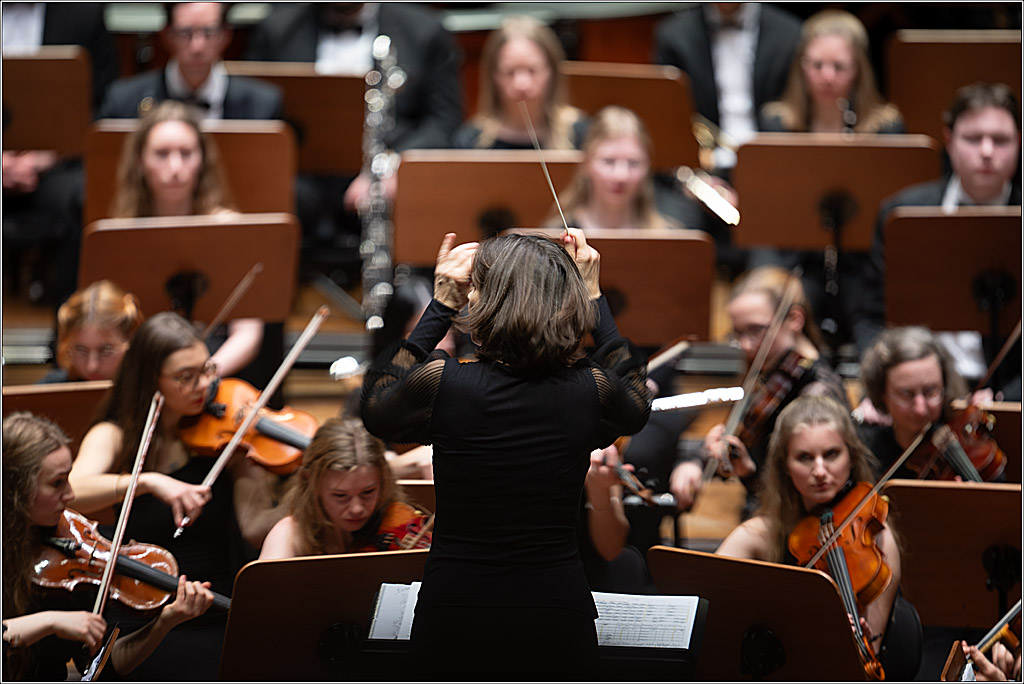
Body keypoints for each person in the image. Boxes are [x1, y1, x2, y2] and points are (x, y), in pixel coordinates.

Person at [360, 228, 652, 677]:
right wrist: (596, 300)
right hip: (556, 609)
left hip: (454, 607)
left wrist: (440, 306)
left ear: (488, 302)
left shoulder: (444, 383)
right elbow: (636, 402)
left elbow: (378, 404)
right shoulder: (589, 390)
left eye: (476, 288)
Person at [67, 312, 279, 679]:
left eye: (207, 369)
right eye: (186, 377)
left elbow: (255, 526)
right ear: (151, 379)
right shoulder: (115, 435)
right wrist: (148, 482)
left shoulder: (219, 436)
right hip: (141, 606)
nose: (204, 385)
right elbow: (73, 492)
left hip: (216, 601)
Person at [716, 396, 920, 680]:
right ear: (785, 465)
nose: (820, 471)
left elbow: (866, 658)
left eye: (832, 454)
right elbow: (708, 596)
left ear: (851, 456)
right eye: (804, 458)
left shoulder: (878, 539)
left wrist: (846, 639)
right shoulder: (761, 535)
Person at [2, 412, 214, 681]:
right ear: (13, 490)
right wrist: (50, 622)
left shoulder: (70, 556)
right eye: (56, 483)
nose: (70, 494)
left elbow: (106, 667)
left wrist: (165, 622)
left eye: (68, 478)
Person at [244, 2, 462, 250]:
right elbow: (255, 116)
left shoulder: (423, 30)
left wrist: (391, 167)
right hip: (303, 180)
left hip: (387, 174)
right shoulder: (277, 29)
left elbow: (443, 120)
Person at [856, 82, 1022, 386]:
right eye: (973, 139)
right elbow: (871, 318)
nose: (986, 152)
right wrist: (881, 387)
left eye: (1000, 140)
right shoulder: (902, 213)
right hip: (919, 391)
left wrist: (1010, 398)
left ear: (1019, 142)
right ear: (949, 140)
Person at [110, 100, 273, 389]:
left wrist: (201, 377)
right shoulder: (119, 233)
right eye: (161, 154)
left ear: (203, 160)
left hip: (214, 373)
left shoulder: (231, 228)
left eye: (186, 154)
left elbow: (248, 336)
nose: (175, 167)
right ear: (139, 161)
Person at [667, 266, 848, 518]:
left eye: (756, 330)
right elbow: (738, 433)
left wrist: (749, 473)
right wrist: (695, 462)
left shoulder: (818, 392)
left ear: (795, 320)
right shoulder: (770, 373)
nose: (745, 344)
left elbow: (807, 497)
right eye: (738, 334)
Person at [2, 3, 119, 309]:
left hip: (54, 165)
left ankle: (71, 339)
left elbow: (103, 105)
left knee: (89, 196)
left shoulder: (82, 14)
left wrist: (43, 158)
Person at [260, 417, 431, 560]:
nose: (357, 508)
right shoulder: (289, 535)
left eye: (368, 492)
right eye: (340, 495)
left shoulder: (398, 524)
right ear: (310, 482)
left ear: (383, 481)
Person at [858, 325, 1004, 481]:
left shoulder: (970, 445)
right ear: (882, 394)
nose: (921, 409)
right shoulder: (866, 454)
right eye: (906, 394)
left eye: (930, 392)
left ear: (945, 386)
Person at [97, 2, 281, 121]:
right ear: (167, 36)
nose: (197, 47)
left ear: (226, 36)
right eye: (186, 33)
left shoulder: (261, 107)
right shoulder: (123, 103)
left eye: (209, 32)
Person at [760, 9, 904, 135]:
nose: (827, 77)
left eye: (839, 66)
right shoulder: (776, 125)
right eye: (817, 65)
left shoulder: (887, 129)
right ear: (801, 67)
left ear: (858, 70)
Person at [454, 15, 587, 151]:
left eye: (532, 70)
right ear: (493, 75)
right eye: (509, 72)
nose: (521, 84)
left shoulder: (581, 134)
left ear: (552, 71)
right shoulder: (471, 141)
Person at [554, 105, 685, 232]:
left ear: (647, 167)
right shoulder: (556, 236)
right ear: (586, 163)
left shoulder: (673, 238)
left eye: (633, 163)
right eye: (609, 161)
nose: (621, 176)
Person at [41, 280, 143, 384]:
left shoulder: (152, 390)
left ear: (131, 342)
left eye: (106, 350)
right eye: (80, 350)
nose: (92, 366)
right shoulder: (49, 389)